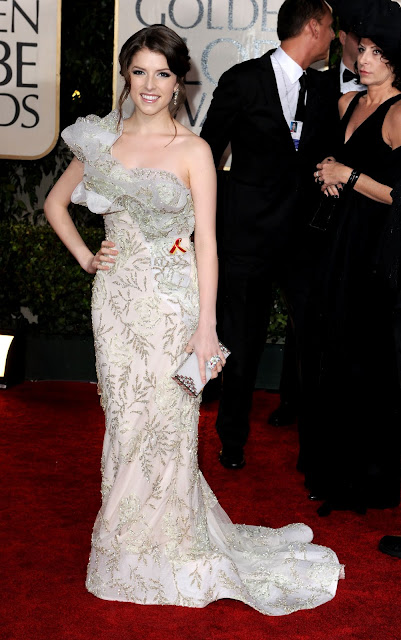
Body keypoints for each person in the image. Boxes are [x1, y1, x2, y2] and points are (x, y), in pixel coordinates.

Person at [44, 24, 343, 613]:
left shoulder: (194, 150)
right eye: (139, 72)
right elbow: (57, 203)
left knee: (167, 424)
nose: (149, 85)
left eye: (162, 74)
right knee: (126, 421)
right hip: (117, 303)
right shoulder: (100, 139)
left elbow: (207, 242)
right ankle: (126, 541)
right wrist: (87, 256)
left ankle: (168, 541)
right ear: (125, 75)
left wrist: (206, 326)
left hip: (173, 305)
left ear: (179, 81)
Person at [200, 0, 339, 469]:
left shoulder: (323, 89)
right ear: (314, 27)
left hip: (306, 242)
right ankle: (232, 441)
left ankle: (316, 455)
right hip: (248, 238)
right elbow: (207, 153)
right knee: (241, 343)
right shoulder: (242, 80)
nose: (334, 37)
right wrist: (211, 222)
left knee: (314, 345)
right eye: (330, 27)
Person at [301, 0, 401, 515]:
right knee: (329, 351)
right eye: (362, 49)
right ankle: (330, 471)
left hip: (372, 250)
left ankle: (366, 479)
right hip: (333, 242)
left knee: (365, 360)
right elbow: (331, 161)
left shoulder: (400, 112)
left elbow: (397, 194)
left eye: (377, 52)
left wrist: (351, 177)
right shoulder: (345, 103)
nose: (363, 59)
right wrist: (327, 173)